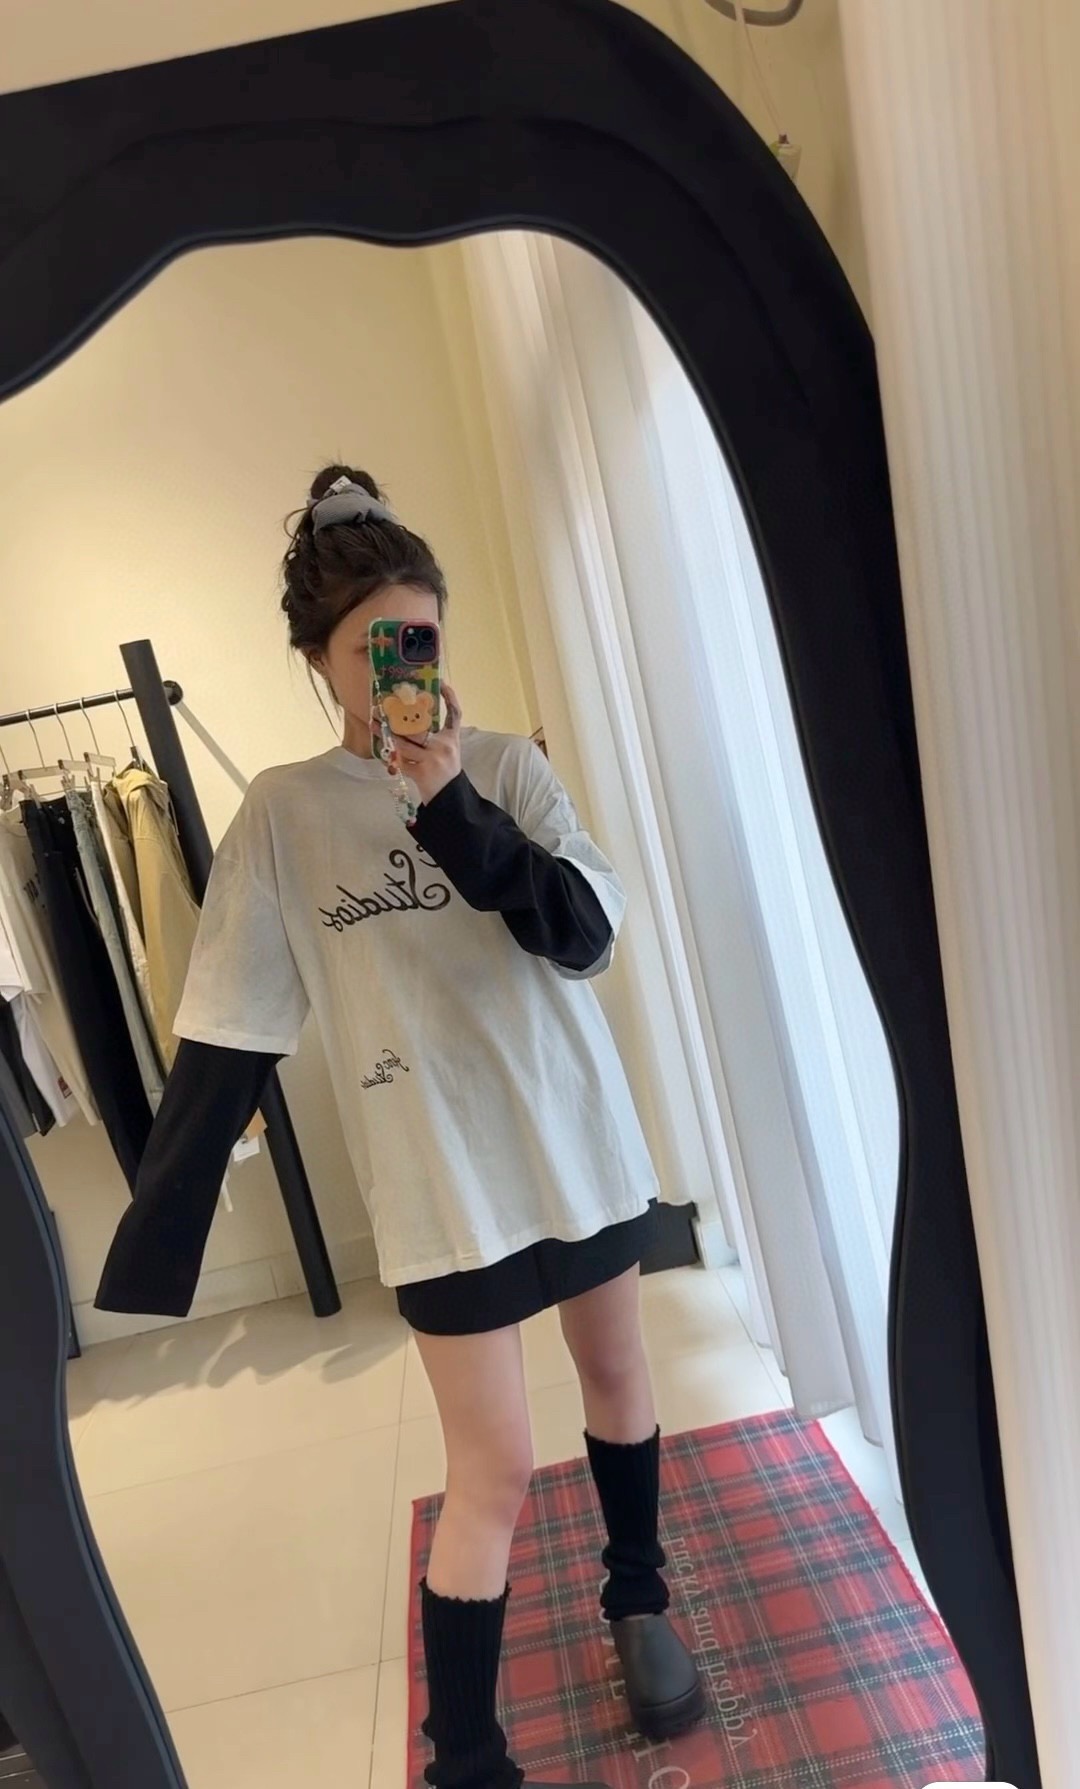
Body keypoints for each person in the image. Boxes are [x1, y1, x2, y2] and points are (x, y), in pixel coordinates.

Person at [97, 466, 704, 1789]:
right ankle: (465, 1757)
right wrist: (162, 1227)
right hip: (440, 1181)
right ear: (320, 662)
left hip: (575, 1143)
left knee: (619, 1380)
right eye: (371, 649)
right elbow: (230, 1015)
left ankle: (639, 1598)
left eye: (417, 638)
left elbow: (586, 935)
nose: (399, 673)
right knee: (492, 1467)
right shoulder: (284, 813)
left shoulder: (509, 770)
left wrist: (451, 805)